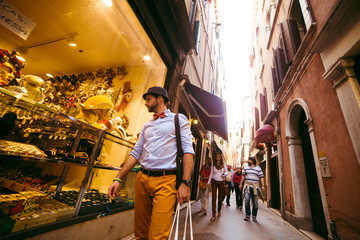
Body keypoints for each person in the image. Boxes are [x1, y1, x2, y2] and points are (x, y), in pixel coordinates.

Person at [108, 86, 194, 240]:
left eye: (148, 99)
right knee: (140, 232)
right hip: (142, 179)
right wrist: (118, 178)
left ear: (160, 98)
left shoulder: (178, 119)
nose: (146, 103)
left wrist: (185, 183)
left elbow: (188, 151)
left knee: (158, 235)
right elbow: (135, 153)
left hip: (166, 181)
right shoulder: (147, 125)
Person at [240, 156, 265, 222]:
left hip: (255, 187)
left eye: (249, 160)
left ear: (252, 161)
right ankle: (247, 215)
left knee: (255, 202)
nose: (248, 160)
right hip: (247, 186)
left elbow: (262, 177)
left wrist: (263, 186)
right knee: (247, 200)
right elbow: (243, 176)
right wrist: (240, 184)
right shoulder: (246, 168)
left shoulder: (258, 168)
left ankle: (254, 216)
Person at [207, 153, 227, 222]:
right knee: (214, 198)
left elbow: (226, 172)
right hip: (214, 182)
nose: (218, 158)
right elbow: (211, 173)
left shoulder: (224, 165)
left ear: (221, 158)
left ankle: (219, 210)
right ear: (215, 158)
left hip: (221, 182)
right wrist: (208, 182)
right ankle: (213, 215)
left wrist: (223, 174)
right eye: (217, 157)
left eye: (219, 157)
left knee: (220, 197)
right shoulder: (213, 165)